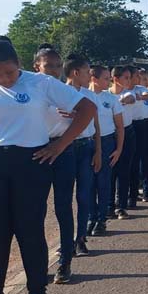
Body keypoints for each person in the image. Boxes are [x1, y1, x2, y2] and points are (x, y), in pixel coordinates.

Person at [0, 36, 95, 294]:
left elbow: (87, 108)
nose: (3, 79)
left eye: (9, 72)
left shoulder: (40, 83)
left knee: (30, 230)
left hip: (31, 163)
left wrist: (60, 145)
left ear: (19, 64)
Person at [36, 48, 101, 276]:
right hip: (38, 150)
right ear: (37, 67)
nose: (54, 71)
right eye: (48, 66)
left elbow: (89, 113)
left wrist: (65, 142)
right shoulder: (30, 89)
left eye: (57, 66)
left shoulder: (67, 92)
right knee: (36, 209)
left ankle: (66, 259)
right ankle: (38, 264)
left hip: (64, 149)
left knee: (64, 205)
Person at [88, 66, 124, 238]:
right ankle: (91, 218)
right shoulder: (82, 96)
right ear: (94, 79)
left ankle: (101, 220)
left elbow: (120, 126)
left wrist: (119, 149)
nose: (109, 81)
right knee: (88, 184)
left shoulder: (111, 99)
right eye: (105, 78)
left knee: (103, 182)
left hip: (107, 142)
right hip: (87, 142)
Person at [109, 66, 137, 220]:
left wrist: (121, 100)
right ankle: (109, 206)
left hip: (127, 134)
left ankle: (121, 206)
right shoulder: (105, 94)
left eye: (129, 77)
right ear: (115, 79)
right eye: (126, 77)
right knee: (110, 172)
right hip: (109, 135)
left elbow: (130, 98)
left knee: (123, 171)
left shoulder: (128, 93)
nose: (129, 80)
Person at [129, 69, 148, 205]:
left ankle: (145, 189)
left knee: (145, 159)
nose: (141, 80)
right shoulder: (121, 91)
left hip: (144, 125)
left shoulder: (141, 90)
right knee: (131, 161)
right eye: (138, 77)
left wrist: (138, 97)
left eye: (144, 78)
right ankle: (130, 193)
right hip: (128, 126)